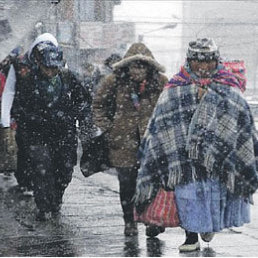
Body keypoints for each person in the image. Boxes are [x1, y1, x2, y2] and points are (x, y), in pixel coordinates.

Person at [134, 38, 258, 251]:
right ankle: (190, 236)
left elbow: (240, 121)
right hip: (184, 160)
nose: (203, 67)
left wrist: (211, 99)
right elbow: (162, 122)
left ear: (216, 61)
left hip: (216, 160)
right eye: (197, 62)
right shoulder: (175, 86)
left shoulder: (227, 86)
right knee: (187, 196)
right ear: (189, 61)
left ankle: (207, 226)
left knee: (213, 195)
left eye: (208, 61)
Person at [2, 33, 92, 220]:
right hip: (36, 134)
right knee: (41, 169)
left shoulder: (67, 78)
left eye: (54, 68)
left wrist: (74, 116)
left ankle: (56, 198)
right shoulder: (27, 80)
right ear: (39, 64)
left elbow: (83, 100)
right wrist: (31, 119)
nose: (50, 71)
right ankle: (43, 206)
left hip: (64, 133)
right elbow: (18, 105)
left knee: (65, 170)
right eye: (47, 67)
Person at [93, 43, 168, 236]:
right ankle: (130, 221)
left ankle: (153, 220)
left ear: (149, 67)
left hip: (152, 143)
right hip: (122, 143)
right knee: (127, 185)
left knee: (153, 183)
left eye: (142, 66)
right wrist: (109, 128)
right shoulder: (114, 81)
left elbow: (169, 108)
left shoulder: (160, 83)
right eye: (134, 66)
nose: (138, 70)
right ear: (127, 66)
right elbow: (98, 105)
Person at [1, 34, 58, 196]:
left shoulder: (56, 62)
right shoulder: (19, 64)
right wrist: (5, 120)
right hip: (24, 116)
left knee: (47, 155)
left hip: (49, 117)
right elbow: (9, 92)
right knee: (25, 150)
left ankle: (42, 185)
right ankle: (26, 182)